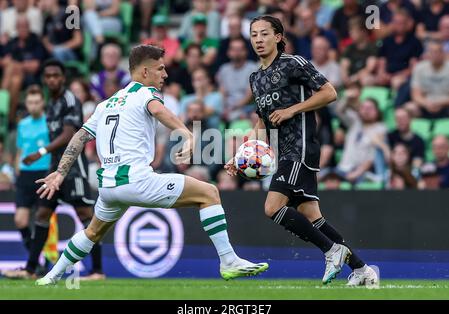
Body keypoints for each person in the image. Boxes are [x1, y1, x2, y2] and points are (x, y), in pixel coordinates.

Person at [35, 45, 268, 286]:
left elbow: (79, 138)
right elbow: (158, 110)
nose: (165, 74)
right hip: (137, 181)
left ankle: (51, 277)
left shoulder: (105, 104)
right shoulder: (147, 94)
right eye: (160, 69)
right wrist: (186, 133)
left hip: (108, 187)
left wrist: (60, 173)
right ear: (145, 72)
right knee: (209, 193)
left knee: (92, 232)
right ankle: (228, 260)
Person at [225, 15, 378, 286]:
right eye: (254, 35)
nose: (258, 40)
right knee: (312, 216)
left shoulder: (293, 63)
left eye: (264, 34)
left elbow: (330, 93)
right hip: (284, 152)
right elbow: (262, 120)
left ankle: (332, 251)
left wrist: (292, 109)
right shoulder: (255, 78)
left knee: (272, 208)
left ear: (278, 37)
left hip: (301, 147)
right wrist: (240, 156)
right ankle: (362, 269)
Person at [2, 60, 104, 281]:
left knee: (86, 216)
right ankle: (30, 269)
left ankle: (97, 271)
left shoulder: (70, 100)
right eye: (48, 76)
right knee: (42, 214)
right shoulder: (52, 104)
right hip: (55, 170)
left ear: (63, 78)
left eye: (55, 75)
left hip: (73, 169)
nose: (51, 80)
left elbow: (69, 135)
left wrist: (41, 151)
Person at [14, 86, 50, 253]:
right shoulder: (22, 124)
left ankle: (37, 262)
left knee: (41, 219)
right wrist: (17, 169)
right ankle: (34, 257)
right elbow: (20, 150)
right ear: (26, 104)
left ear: (43, 103)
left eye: (36, 102)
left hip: (44, 173)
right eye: (30, 102)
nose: (33, 106)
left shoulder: (49, 122)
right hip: (25, 175)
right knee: (20, 220)